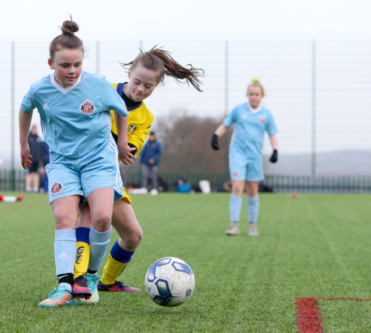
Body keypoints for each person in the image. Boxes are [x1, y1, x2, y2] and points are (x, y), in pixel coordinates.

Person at [74, 47, 204, 303]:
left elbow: (128, 151)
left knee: (133, 235)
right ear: (129, 72)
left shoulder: (144, 117)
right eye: (137, 82)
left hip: (109, 174)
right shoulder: (102, 88)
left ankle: (107, 282)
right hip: (81, 169)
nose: (141, 89)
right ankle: (76, 281)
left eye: (149, 86)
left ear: (156, 85)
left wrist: (121, 146)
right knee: (90, 218)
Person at [18, 17, 132, 307]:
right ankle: (64, 287)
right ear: (50, 63)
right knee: (64, 218)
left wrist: (120, 144)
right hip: (62, 163)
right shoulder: (40, 89)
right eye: (65, 65)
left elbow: (121, 109)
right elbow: (24, 109)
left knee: (103, 217)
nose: (72, 71)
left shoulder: (97, 85)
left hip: (99, 161)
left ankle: (90, 278)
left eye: (77, 64)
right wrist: (23, 145)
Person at [211, 78, 278, 236]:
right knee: (237, 187)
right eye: (251, 94)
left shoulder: (266, 114)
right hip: (238, 154)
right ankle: (234, 226)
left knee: (253, 189)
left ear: (261, 96)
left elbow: (272, 134)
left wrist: (275, 150)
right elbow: (225, 125)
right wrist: (215, 135)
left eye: (257, 94)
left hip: (254, 156)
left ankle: (252, 226)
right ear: (247, 95)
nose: (253, 97)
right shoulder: (239, 110)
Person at [26, 124, 49, 193]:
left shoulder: (39, 139)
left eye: (36, 129)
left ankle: (36, 189)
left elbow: (42, 151)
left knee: (36, 174)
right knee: (29, 174)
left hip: (37, 160)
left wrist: (41, 160)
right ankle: (28, 188)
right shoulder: (28, 138)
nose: (35, 130)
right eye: (34, 129)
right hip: (29, 160)